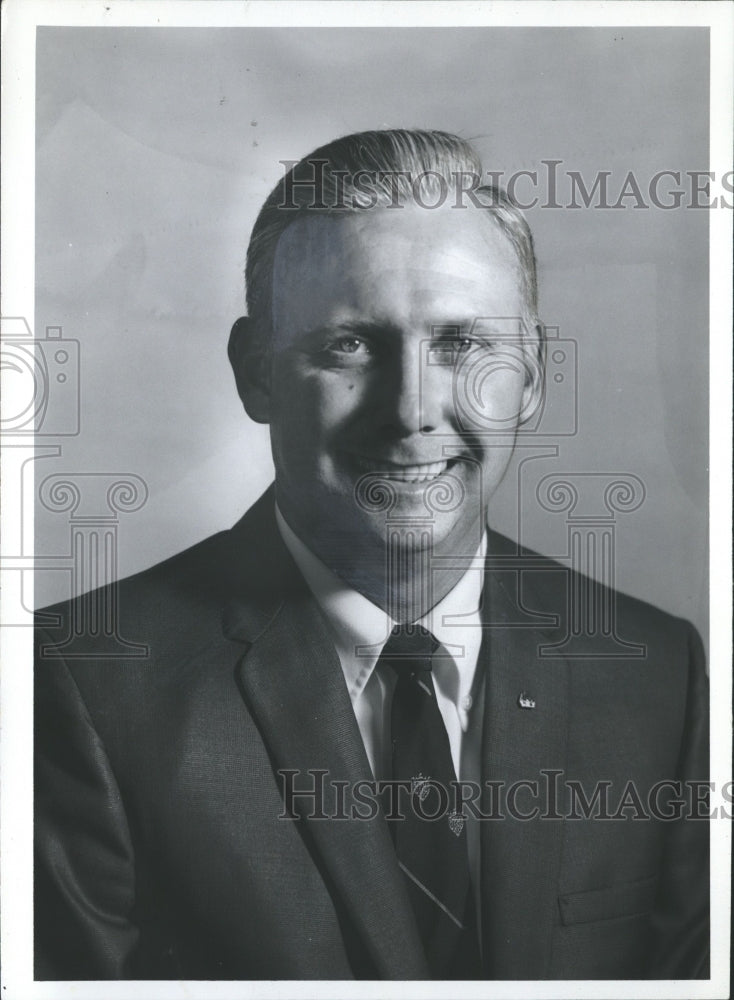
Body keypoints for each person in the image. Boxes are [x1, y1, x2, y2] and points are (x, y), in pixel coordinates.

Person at [34, 129, 709, 981]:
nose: (412, 411)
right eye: (350, 344)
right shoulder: (81, 684)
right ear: (256, 373)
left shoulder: (657, 673)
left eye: (462, 345)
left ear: (531, 376)